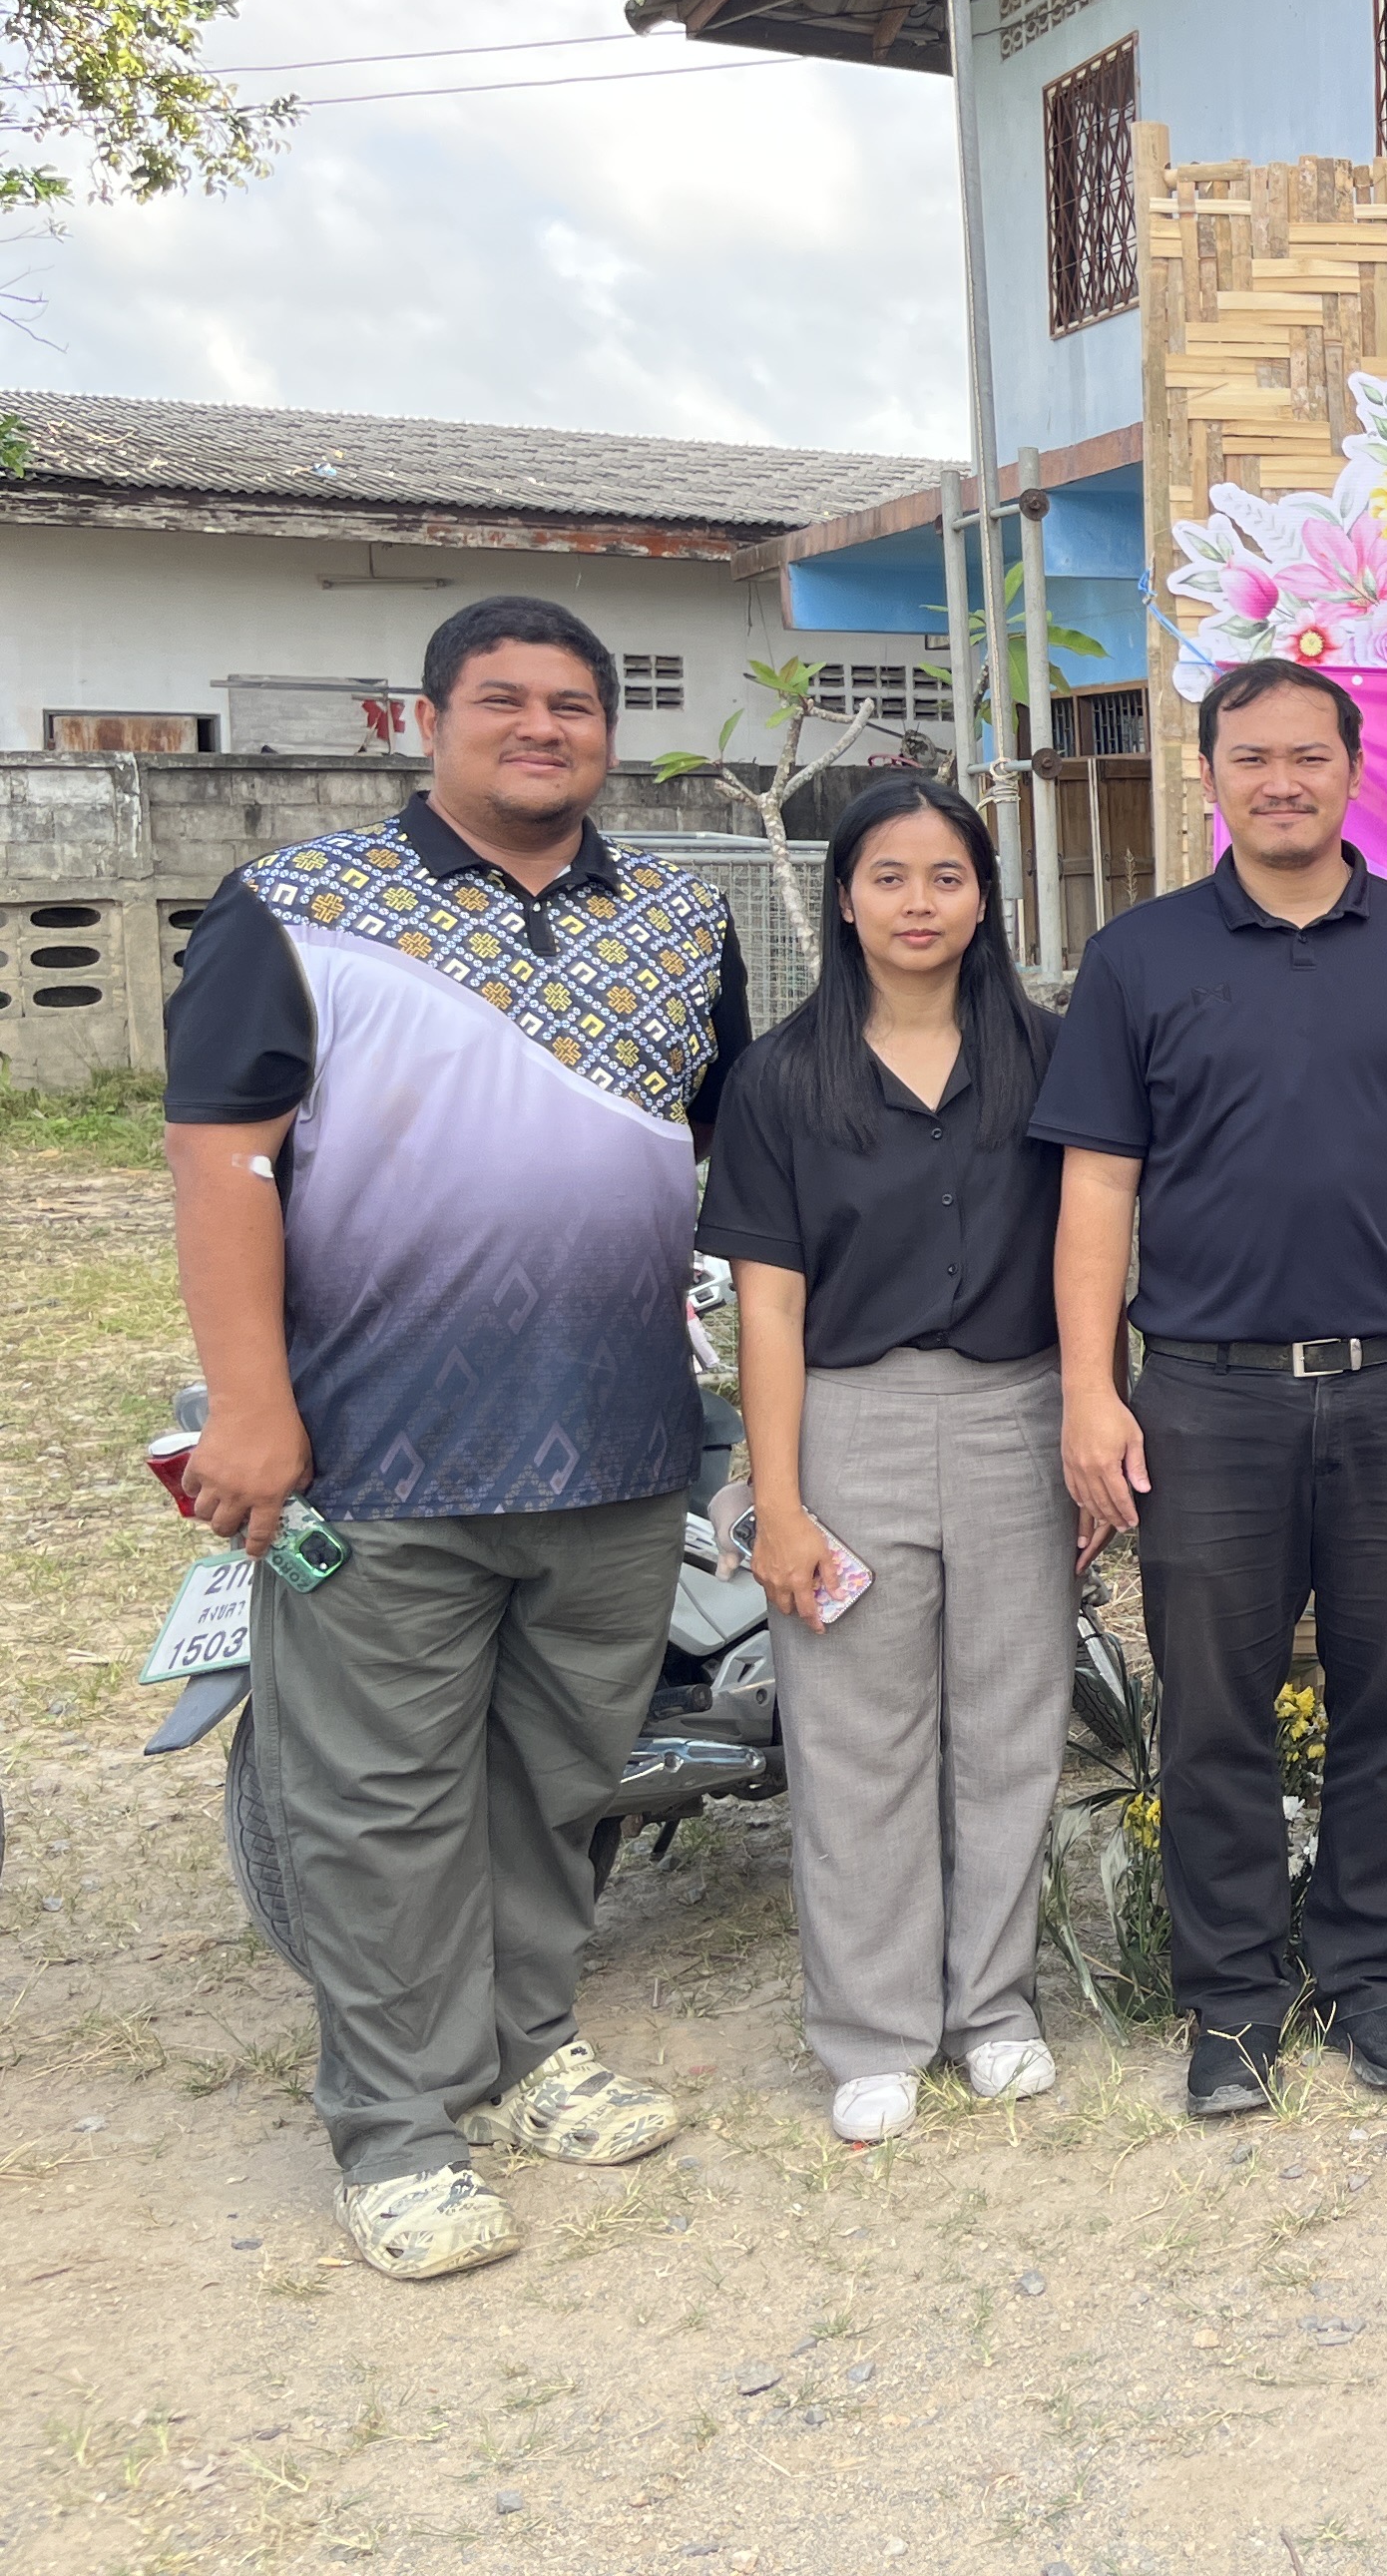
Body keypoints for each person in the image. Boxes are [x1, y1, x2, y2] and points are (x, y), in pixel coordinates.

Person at [162, 595, 745, 2281]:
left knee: (559, 1779)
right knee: (376, 1797)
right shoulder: (303, 908)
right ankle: (399, 2125)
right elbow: (221, 1160)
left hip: (621, 1447)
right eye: (505, 702)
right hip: (377, 1452)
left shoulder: (682, 919)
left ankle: (527, 2047)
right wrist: (254, 1404)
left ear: (608, 736)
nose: (544, 728)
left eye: (575, 705)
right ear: (426, 720)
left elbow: (743, 1154)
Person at [1034, 657, 1387, 2120]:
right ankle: (1233, 2001)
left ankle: (1374, 1983)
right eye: (1251, 757)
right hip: (1206, 1394)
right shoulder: (1138, 960)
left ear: (1352, 768)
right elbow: (1096, 1187)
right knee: (1215, 1710)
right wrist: (1094, 1387)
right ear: (1209, 776)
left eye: (1308, 756)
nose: (1282, 780)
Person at [696, 776, 1077, 2145]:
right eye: (889, 878)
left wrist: (1094, 1422)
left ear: (986, 896)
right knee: (857, 1736)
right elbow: (770, 1306)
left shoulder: (1050, 1057)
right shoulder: (781, 1080)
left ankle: (994, 2009)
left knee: (1011, 1724)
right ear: (843, 895)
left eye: (947, 878)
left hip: (1019, 1414)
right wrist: (779, 1501)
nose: (920, 905)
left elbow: (1097, 1252)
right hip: (847, 1418)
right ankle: (870, 2030)